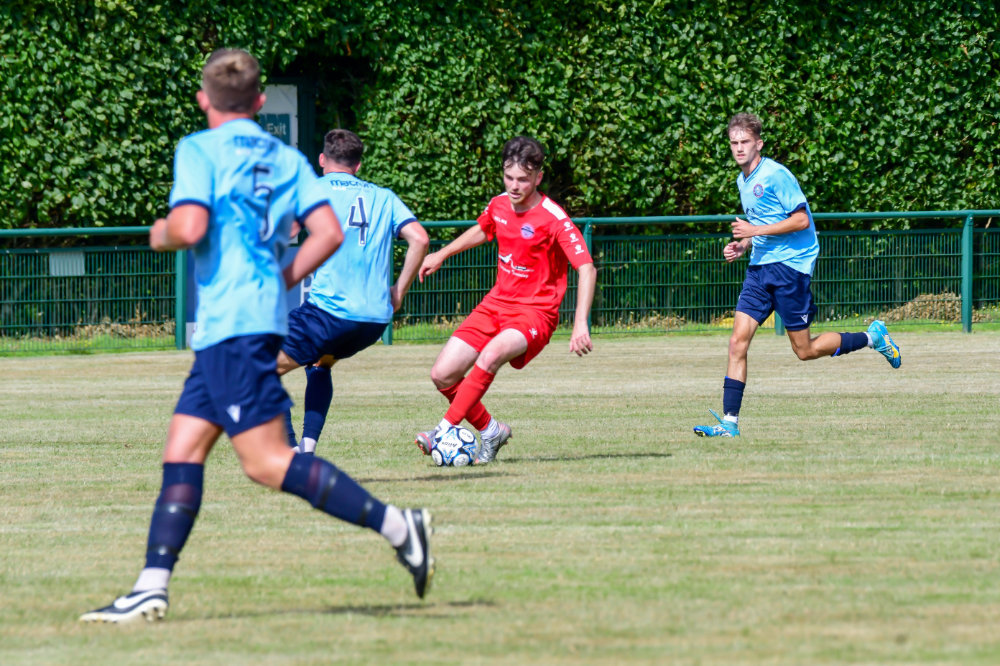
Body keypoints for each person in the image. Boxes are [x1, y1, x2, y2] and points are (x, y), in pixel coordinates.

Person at [80, 49, 433, 625]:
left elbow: (189, 226)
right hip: (242, 325)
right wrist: (283, 279)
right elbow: (328, 233)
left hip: (235, 329)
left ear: (204, 100)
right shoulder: (285, 158)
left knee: (267, 463)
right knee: (182, 449)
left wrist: (161, 233)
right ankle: (150, 586)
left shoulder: (199, 148)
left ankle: (399, 526)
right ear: (260, 102)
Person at [693, 112, 901, 438]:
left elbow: (801, 220)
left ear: (759, 144)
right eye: (734, 142)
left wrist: (753, 230)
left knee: (804, 350)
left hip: (791, 268)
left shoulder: (776, 175)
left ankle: (873, 338)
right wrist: (743, 245)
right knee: (736, 342)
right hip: (759, 269)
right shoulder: (742, 181)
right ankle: (729, 424)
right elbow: (762, 224)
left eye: (745, 141)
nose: (739, 148)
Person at [414, 136, 597, 463]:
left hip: (535, 313)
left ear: (538, 177)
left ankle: (441, 431)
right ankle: (491, 431)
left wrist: (580, 322)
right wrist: (441, 253)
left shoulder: (553, 217)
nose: (514, 186)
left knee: (491, 354)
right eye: (509, 177)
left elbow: (586, 268)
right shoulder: (499, 204)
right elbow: (484, 229)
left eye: (523, 179)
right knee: (442, 374)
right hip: (496, 304)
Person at [276, 129, 429, 455]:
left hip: (329, 313)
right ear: (358, 165)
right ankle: (307, 449)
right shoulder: (384, 197)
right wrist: (398, 292)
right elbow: (420, 238)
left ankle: (289, 454)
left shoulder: (313, 190)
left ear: (322, 159)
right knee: (320, 363)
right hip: (373, 321)